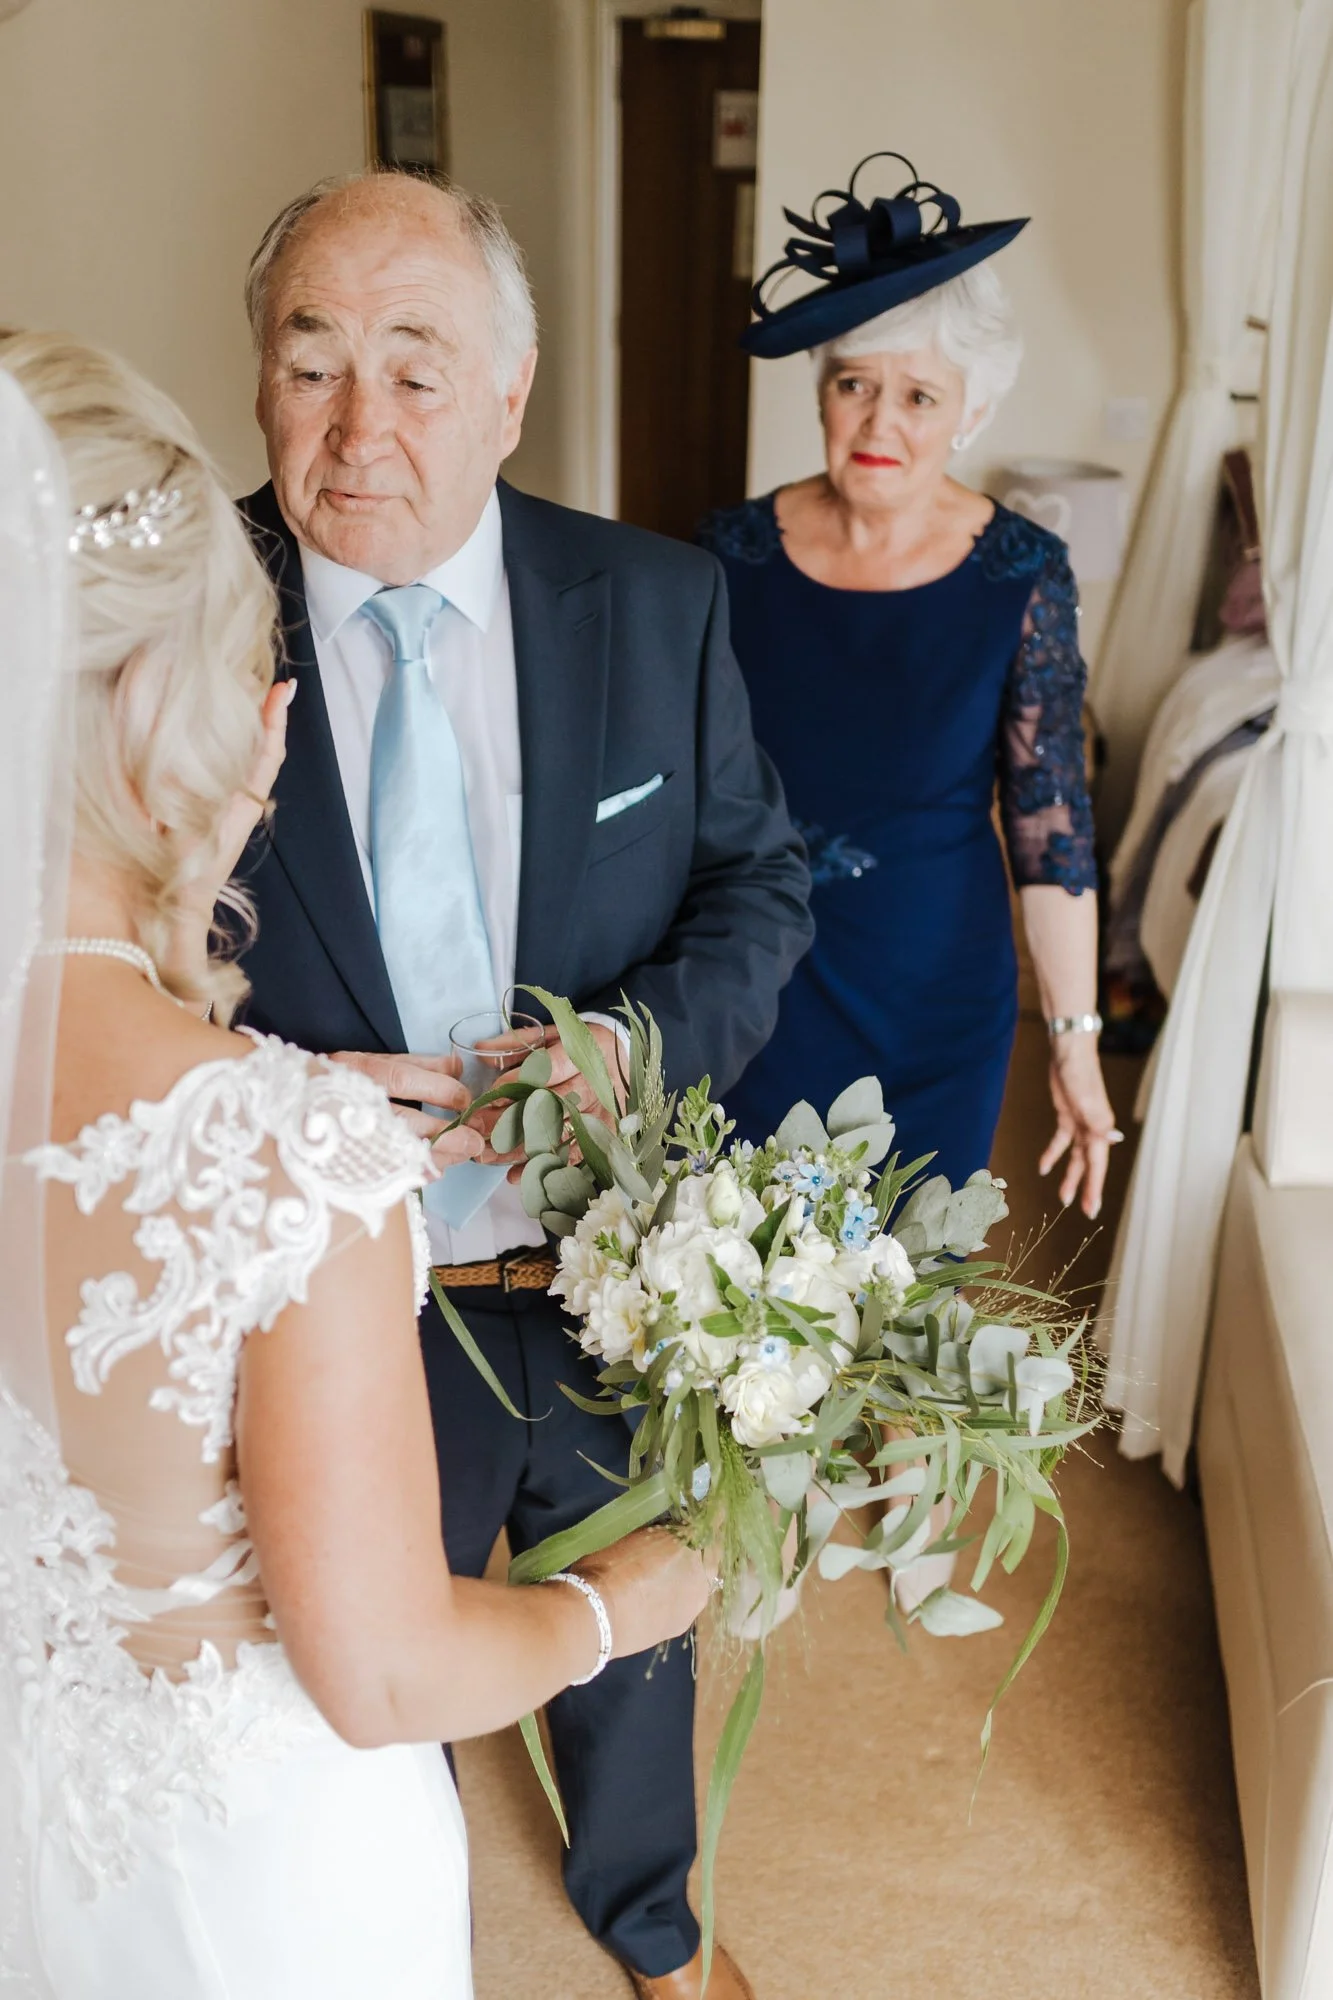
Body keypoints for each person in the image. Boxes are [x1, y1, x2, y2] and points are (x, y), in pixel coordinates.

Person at [0, 331, 710, 2000]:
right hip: (246, 1890)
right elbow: (382, 1675)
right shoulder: (286, 1159)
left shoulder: (272, 1121)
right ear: (144, 702)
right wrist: (632, 1596)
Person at [233, 168, 811, 2000]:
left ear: (510, 388)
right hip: (333, 1293)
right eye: (309, 359)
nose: (357, 425)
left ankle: (650, 1923)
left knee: (632, 1636)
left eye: (415, 369)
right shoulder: (164, 628)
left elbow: (757, 883)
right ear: (258, 378)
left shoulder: (652, 603)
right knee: (333, 1670)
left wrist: (625, 1051)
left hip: (606, 1258)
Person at [701, 152, 1119, 1220]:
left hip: (936, 995)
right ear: (823, 393)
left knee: (901, 1305)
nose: (880, 423)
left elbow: (1050, 826)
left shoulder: (1020, 572)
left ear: (968, 414)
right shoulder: (725, 558)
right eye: (855, 385)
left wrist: (1072, 1042)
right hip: (760, 989)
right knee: (735, 1295)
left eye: (918, 394)